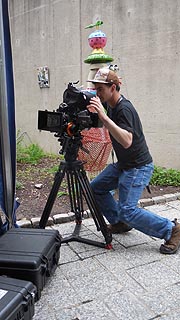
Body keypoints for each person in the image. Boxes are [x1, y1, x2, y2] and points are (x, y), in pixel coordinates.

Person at [87, 66, 180, 254]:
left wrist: (104, 118)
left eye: (100, 89)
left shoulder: (124, 108)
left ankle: (172, 230)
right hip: (124, 164)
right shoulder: (109, 105)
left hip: (138, 167)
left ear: (113, 88)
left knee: (128, 210)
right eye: (95, 89)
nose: (97, 93)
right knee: (96, 188)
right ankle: (119, 222)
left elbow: (127, 140)